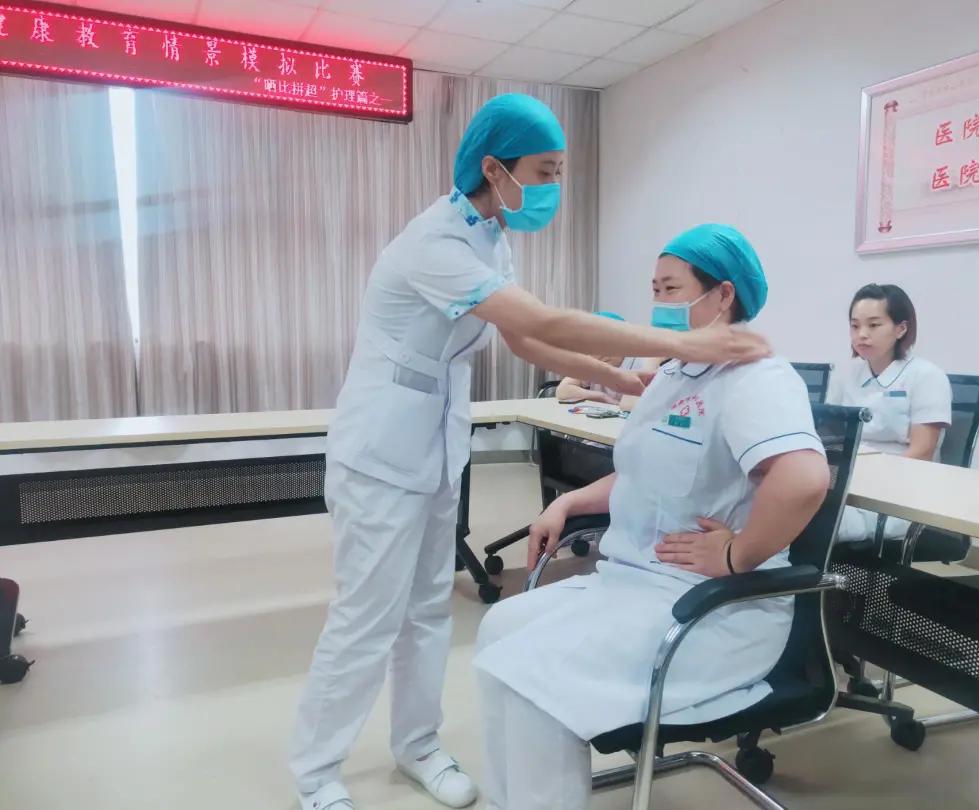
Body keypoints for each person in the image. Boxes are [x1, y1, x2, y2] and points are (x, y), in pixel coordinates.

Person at [288, 95, 771, 810]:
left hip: (435, 443)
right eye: (544, 171)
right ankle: (317, 770)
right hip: (380, 451)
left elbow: (523, 339)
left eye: (559, 172)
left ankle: (418, 745)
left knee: (427, 609)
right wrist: (679, 341)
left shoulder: (490, 236)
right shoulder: (435, 244)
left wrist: (618, 379)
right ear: (495, 168)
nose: (553, 187)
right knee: (368, 615)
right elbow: (542, 319)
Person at [473, 224, 831, 810]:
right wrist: (568, 502)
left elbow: (804, 479)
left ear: (723, 295)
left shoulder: (756, 377)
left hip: (708, 608)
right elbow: (645, 472)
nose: (659, 304)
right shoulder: (672, 374)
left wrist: (737, 554)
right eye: (655, 289)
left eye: (671, 289)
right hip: (631, 582)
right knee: (499, 630)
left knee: (532, 677)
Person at [831, 283, 952, 543]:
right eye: (855, 326)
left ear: (901, 329)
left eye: (874, 325)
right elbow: (831, 437)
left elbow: (921, 452)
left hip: (897, 496)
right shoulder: (847, 374)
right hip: (847, 484)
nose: (862, 334)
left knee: (804, 519)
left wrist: (865, 480)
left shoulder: (927, 376)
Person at [554, 311, 658, 411]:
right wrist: (601, 396)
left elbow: (638, 405)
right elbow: (562, 391)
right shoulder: (592, 361)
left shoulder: (642, 361)